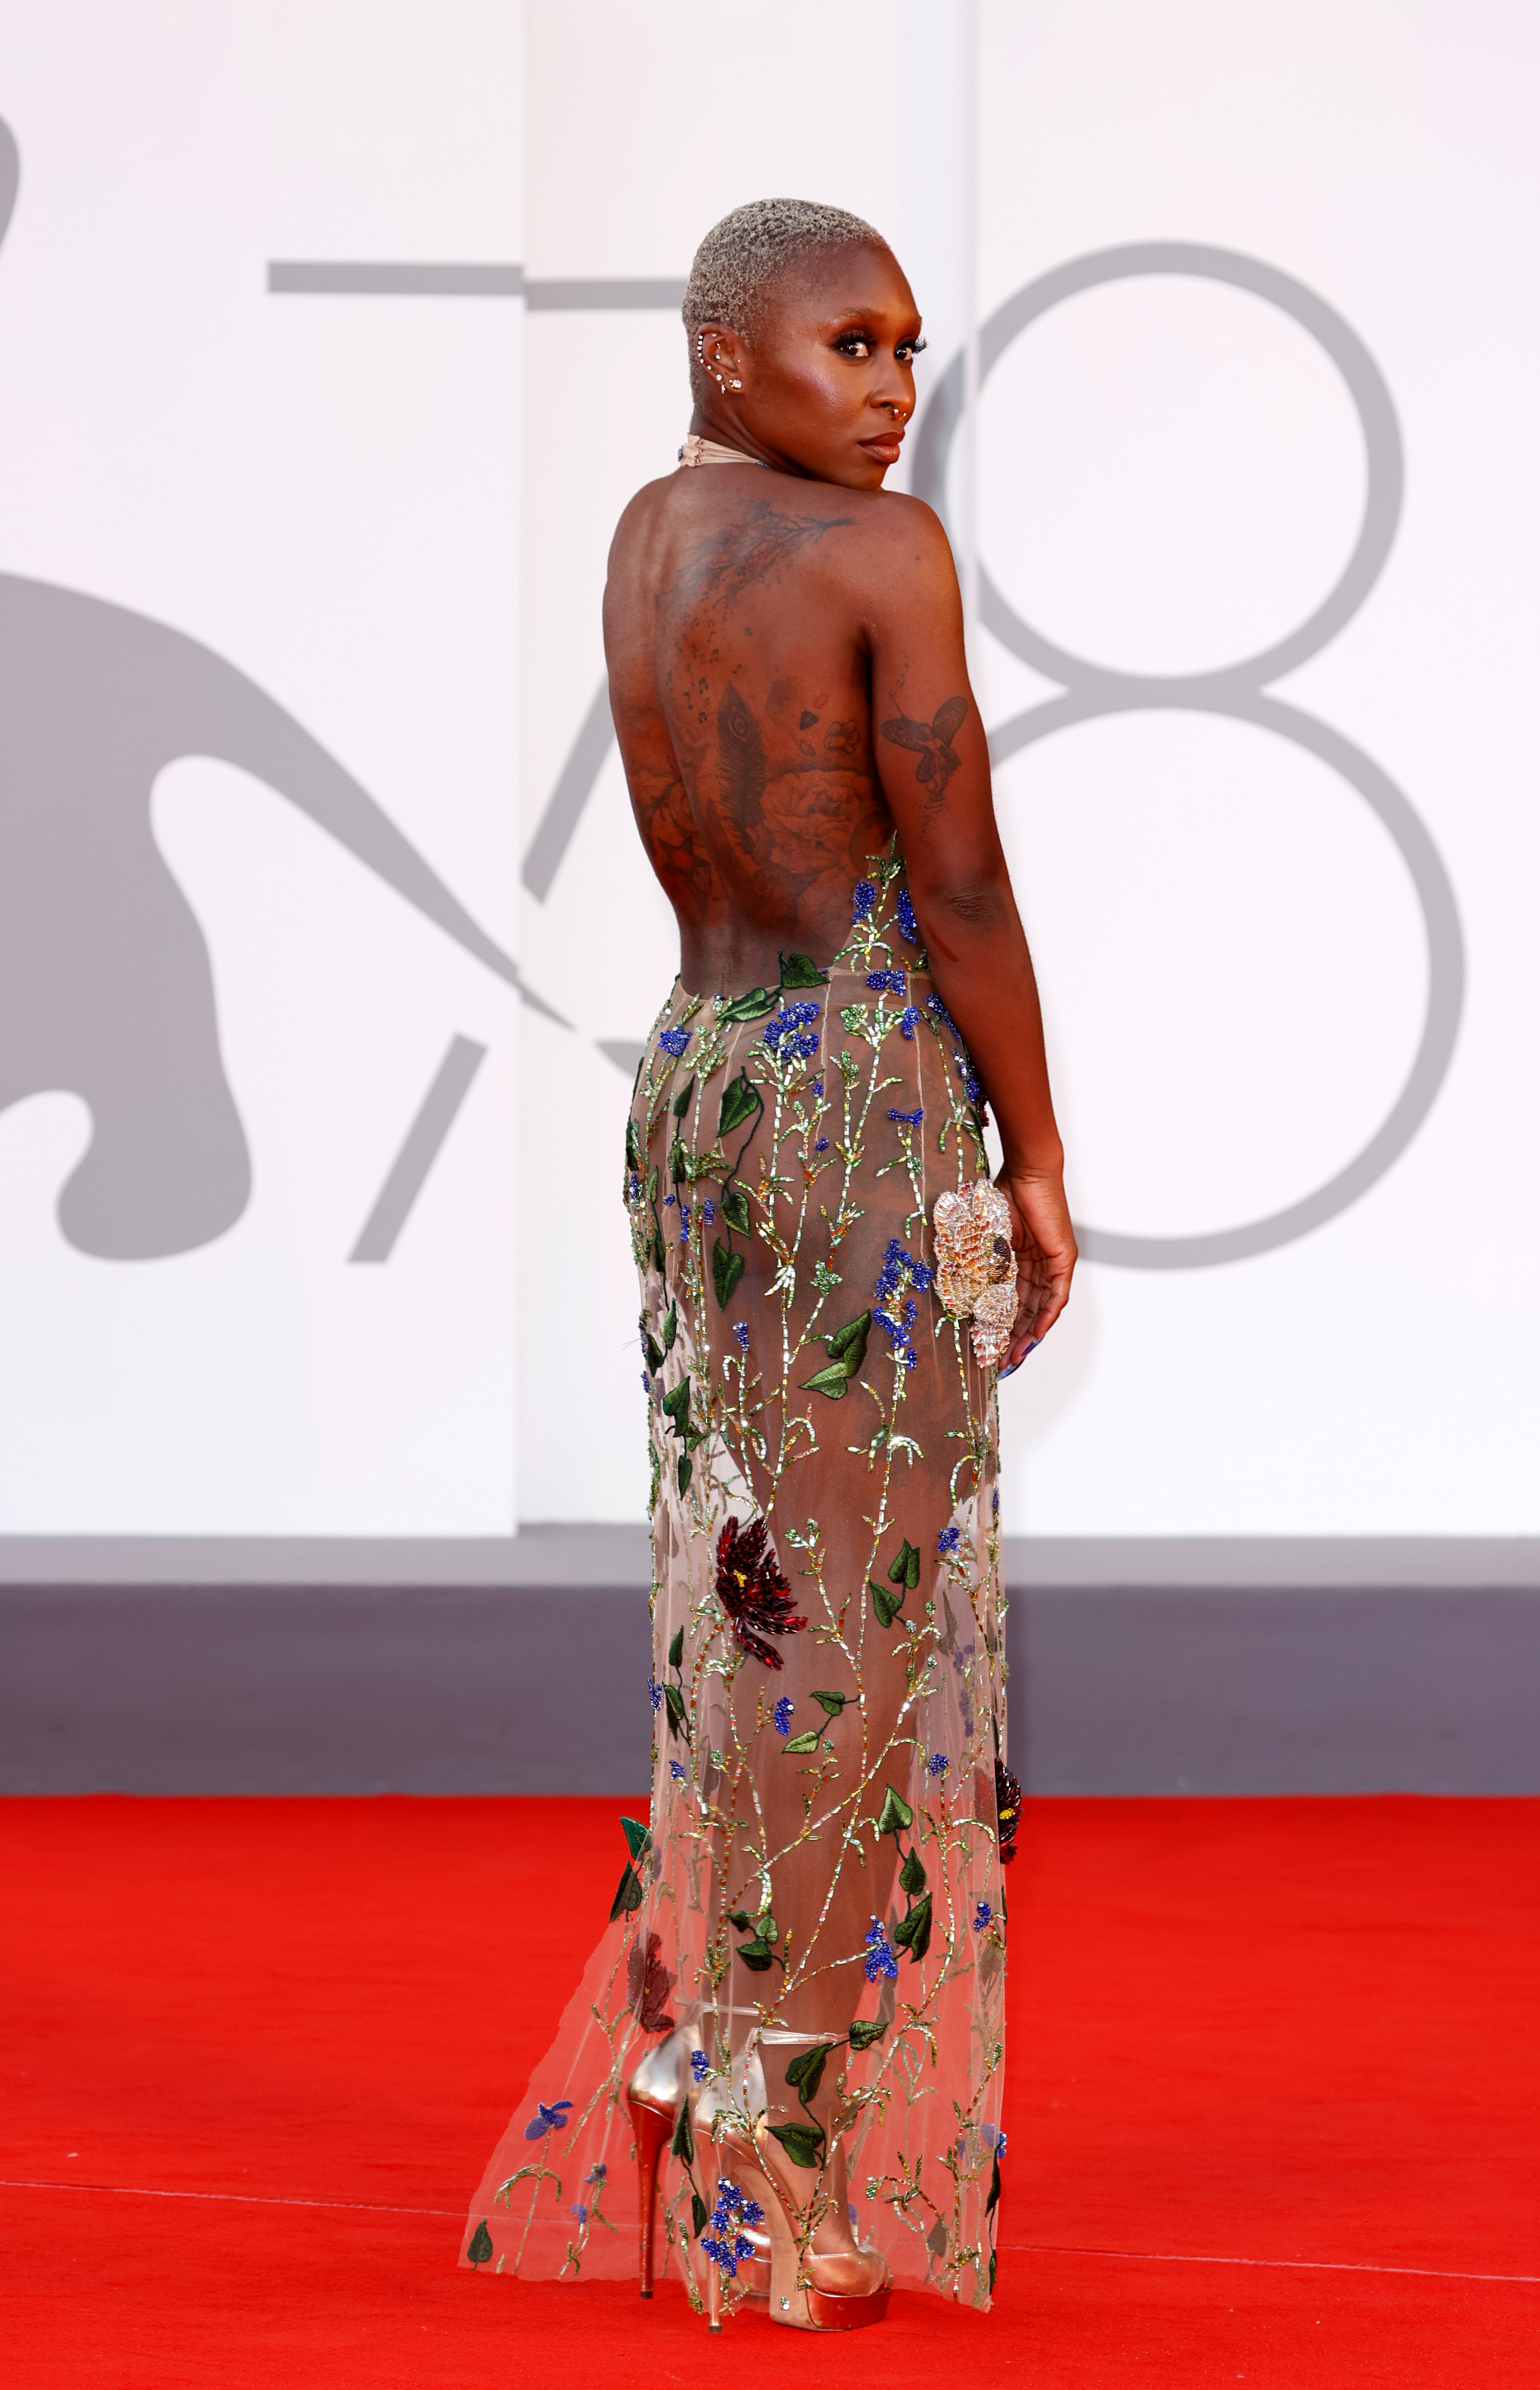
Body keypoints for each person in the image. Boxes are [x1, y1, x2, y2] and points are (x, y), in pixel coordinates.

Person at [462, 196, 1075, 2332]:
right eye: (849, 346)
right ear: (734, 355)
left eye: (912, 350)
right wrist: (1042, 1154)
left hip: (701, 1082)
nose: (892, 391)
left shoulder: (653, 532)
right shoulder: (882, 559)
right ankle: (769, 2140)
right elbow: (960, 864)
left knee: (752, 1602)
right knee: (856, 1644)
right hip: (862, 1101)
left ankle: (711, 2036)